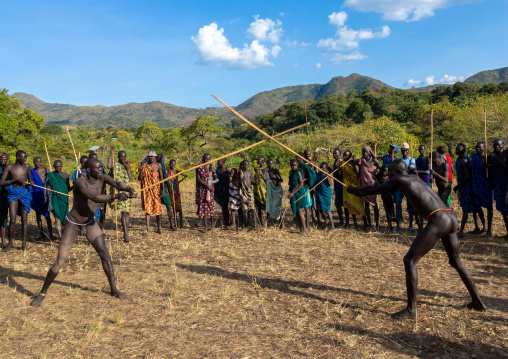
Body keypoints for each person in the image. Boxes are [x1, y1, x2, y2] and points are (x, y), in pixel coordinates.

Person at [347, 159, 486, 319]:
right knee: (456, 262)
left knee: (410, 260)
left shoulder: (399, 179)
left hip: (439, 219)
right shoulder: (414, 178)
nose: (389, 175)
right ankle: (477, 301)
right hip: (449, 215)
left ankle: (411, 309)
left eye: (391, 172)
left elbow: (374, 189)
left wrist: (355, 190)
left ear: (398, 172)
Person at [30, 158, 135, 307]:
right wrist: (115, 196)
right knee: (61, 261)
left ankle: (113, 289)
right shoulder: (80, 181)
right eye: (97, 168)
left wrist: (128, 189)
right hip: (73, 223)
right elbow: (94, 197)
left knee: (104, 253)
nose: (101, 170)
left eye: (101, 167)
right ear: (89, 170)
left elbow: (117, 183)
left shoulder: (103, 177)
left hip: (90, 222)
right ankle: (42, 292)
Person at [0, 150, 33, 251]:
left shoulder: (27, 166)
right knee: (13, 220)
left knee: (24, 220)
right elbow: (2, 182)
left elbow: (30, 180)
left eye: (26, 157)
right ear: (17, 157)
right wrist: (14, 181)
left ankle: (24, 244)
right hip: (13, 194)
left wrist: (30, 183)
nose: (25, 159)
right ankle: (10, 243)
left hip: (24, 194)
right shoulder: (10, 167)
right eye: (23, 157)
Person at [453, 144, 483, 237]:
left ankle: (461, 231)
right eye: (456, 148)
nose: (457, 150)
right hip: (464, 187)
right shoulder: (461, 159)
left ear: (463, 150)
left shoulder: (464, 160)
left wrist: (458, 185)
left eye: (459, 149)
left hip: (467, 187)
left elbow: (467, 176)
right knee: (473, 209)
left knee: (466, 209)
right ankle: (477, 227)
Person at [108, 147, 134, 242]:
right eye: (121, 156)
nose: (123, 158)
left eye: (124, 156)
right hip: (119, 191)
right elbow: (109, 166)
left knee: (127, 212)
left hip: (128, 190)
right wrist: (111, 153)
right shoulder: (115, 164)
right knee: (123, 212)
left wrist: (128, 168)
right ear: (118, 157)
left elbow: (130, 178)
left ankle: (126, 232)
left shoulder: (127, 165)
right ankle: (125, 234)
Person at [139, 151, 164, 235]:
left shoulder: (158, 165)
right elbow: (140, 179)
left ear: (155, 157)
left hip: (156, 190)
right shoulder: (144, 166)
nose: (152, 158)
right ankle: (148, 229)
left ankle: (159, 227)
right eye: (150, 157)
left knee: (158, 209)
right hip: (147, 191)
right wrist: (141, 170)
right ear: (148, 157)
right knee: (148, 210)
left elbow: (161, 178)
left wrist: (163, 189)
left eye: (153, 157)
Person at [471, 142, 493, 237]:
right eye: (477, 147)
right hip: (477, 184)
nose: (478, 149)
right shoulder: (474, 156)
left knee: (489, 208)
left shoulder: (489, 158)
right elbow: (472, 167)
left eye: (480, 147)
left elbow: (493, 170)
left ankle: (490, 230)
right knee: (477, 206)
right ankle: (484, 225)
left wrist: (488, 166)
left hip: (487, 185)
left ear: (484, 148)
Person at [46, 160, 71, 239]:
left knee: (64, 219)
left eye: (59, 166)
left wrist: (75, 185)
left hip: (64, 200)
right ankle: (61, 238)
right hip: (55, 200)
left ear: (62, 166)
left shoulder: (66, 175)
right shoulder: (50, 175)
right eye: (56, 166)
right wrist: (49, 199)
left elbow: (68, 188)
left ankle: (63, 236)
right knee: (57, 219)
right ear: (53, 166)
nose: (58, 168)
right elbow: (47, 188)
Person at [31, 157, 54, 241]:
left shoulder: (46, 170)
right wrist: (31, 183)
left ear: (41, 162)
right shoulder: (31, 171)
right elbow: (29, 181)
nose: (38, 164)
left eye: (39, 162)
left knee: (47, 215)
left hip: (44, 194)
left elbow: (51, 180)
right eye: (36, 162)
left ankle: (51, 234)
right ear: (33, 162)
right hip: (36, 194)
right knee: (38, 215)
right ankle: (42, 234)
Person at [358, 146, 381, 231]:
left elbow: (381, 169)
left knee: (375, 205)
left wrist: (378, 179)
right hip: (364, 186)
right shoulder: (361, 161)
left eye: (365, 152)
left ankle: (377, 225)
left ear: (369, 152)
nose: (364, 153)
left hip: (372, 185)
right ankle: (369, 224)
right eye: (363, 151)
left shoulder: (374, 161)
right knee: (366, 205)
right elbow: (358, 172)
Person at [489, 139, 508, 238]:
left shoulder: (506, 154)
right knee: (503, 210)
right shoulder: (492, 155)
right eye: (494, 145)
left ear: (502, 145)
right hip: (497, 185)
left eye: (497, 145)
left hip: (505, 184)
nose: (496, 147)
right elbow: (491, 169)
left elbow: (506, 166)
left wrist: (496, 159)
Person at [342, 150, 364, 227]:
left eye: (346, 155)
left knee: (356, 203)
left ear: (350, 156)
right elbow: (340, 174)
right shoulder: (342, 164)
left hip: (354, 186)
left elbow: (358, 172)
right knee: (346, 204)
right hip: (346, 186)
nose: (344, 157)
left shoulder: (353, 163)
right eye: (344, 155)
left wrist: (355, 164)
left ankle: (357, 223)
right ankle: (347, 223)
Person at [288, 159, 310, 235]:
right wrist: (291, 193)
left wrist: (293, 192)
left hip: (298, 193)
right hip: (292, 193)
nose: (293, 167)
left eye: (295, 165)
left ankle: (304, 229)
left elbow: (301, 184)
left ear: (297, 165)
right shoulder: (291, 172)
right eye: (292, 165)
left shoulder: (298, 172)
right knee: (295, 210)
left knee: (300, 210)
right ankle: (298, 228)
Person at [399, 143, 417, 231]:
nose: (404, 152)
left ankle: (410, 225)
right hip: (399, 185)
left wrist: (401, 171)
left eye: (406, 150)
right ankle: (397, 224)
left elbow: (411, 169)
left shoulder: (412, 159)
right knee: (398, 203)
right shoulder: (398, 159)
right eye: (403, 151)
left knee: (410, 204)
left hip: (409, 185)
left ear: (408, 151)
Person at [195, 153, 215, 232]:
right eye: (206, 159)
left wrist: (214, 172)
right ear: (203, 159)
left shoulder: (211, 166)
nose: (207, 160)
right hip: (203, 189)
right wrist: (207, 185)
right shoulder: (199, 167)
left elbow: (216, 178)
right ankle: (205, 226)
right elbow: (199, 179)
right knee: (203, 207)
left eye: (208, 159)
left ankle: (212, 224)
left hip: (211, 189)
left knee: (210, 206)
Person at [157, 152, 176, 231]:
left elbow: (164, 178)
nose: (160, 159)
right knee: (158, 208)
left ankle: (171, 224)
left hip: (163, 188)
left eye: (160, 157)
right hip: (156, 188)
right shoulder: (153, 164)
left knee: (168, 205)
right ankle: (159, 227)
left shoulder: (162, 164)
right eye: (158, 157)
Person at [315, 162, 335, 232]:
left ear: (326, 169)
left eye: (323, 167)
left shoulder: (327, 175)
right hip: (320, 193)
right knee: (321, 210)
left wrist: (328, 176)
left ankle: (332, 227)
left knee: (327, 210)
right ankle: (326, 222)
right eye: (320, 167)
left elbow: (330, 184)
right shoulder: (318, 174)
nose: (321, 168)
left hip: (326, 194)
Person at [167, 159, 186, 228]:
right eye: (172, 164)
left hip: (176, 191)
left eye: (174, 164)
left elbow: (185, 175)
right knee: (173, 207)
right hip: (171, 191)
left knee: (179, 208)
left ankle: (181, 223)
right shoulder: (167, 172)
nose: (173, 165)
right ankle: (176, 222)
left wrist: (178, 182)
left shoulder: (177, 171)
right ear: (169, 164)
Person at [239, 160, 257, 228]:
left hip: (249, 192)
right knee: (245, 210)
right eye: (244, 165)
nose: (246, 166)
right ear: (242, 166)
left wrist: (256, 182)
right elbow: (240, 181)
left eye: (247, 165)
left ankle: (255, 225)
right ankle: (246, 225)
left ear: (248, 165)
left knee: (253, 209)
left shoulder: (250, 172)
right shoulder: (240, 173)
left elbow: (251, 180)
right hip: (243, 192)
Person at [376, 167, 394, 231]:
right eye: (383, 170)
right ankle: (389, 225)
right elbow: (377, 186)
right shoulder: (380, 178)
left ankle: (390, 225)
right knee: (387, 211)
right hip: (384, 196)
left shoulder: (390, 178)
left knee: (390, 211)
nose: (385, 172)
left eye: (386, 171)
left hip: (390, 196)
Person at [265, 159, 283, 225]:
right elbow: (267, 181)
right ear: (267, 164)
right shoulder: (267, 171)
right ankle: (273, 223)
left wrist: (276, 176)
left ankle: (280, 223)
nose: (270, 165)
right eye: (269, 163)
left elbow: (281, 180)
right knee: (271, 206)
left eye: (272, 163)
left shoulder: (276, 170)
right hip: (271, 191)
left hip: (277, 191)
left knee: (277, 207)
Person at [214, 159, 230, 227]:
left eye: (219, 161)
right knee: (223, 206)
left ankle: (228, 221)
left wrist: (224, 190)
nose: (218, 162)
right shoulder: (217, 169)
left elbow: (229, 180)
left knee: (225, 206)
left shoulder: (226, 169)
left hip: (226, 189)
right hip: (219, 189)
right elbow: (216, 178)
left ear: (223, 162)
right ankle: (224, 221)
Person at [332, 149, 345, 226]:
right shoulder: (335, 162)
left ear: (339, 154)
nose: (334, 155)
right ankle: (341, 221)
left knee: (343, 204)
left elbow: (340, 173)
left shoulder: (341, 161)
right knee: (338, 204)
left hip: (342, 185)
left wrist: (335, 172)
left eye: (335, 154)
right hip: (336, 185)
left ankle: (344, 222)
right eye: (333, 154)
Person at [253, 156, 267, 224]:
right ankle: (260, 220)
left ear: (263, 161)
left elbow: (268, 180)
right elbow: (254, 179)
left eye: (259, 160)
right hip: (257, 190)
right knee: (258, 205)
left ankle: (267, 220)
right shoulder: (257, 169)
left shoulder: (266, 169)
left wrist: (263, 177)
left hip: (265, 190)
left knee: (266, 205)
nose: (257, 161)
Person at [0, 152, 9, 248]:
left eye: (4, 159)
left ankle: (3, 241)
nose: (3, 161)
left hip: (5, 195)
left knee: (4, 217)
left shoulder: (9, 168)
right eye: (1, 159)